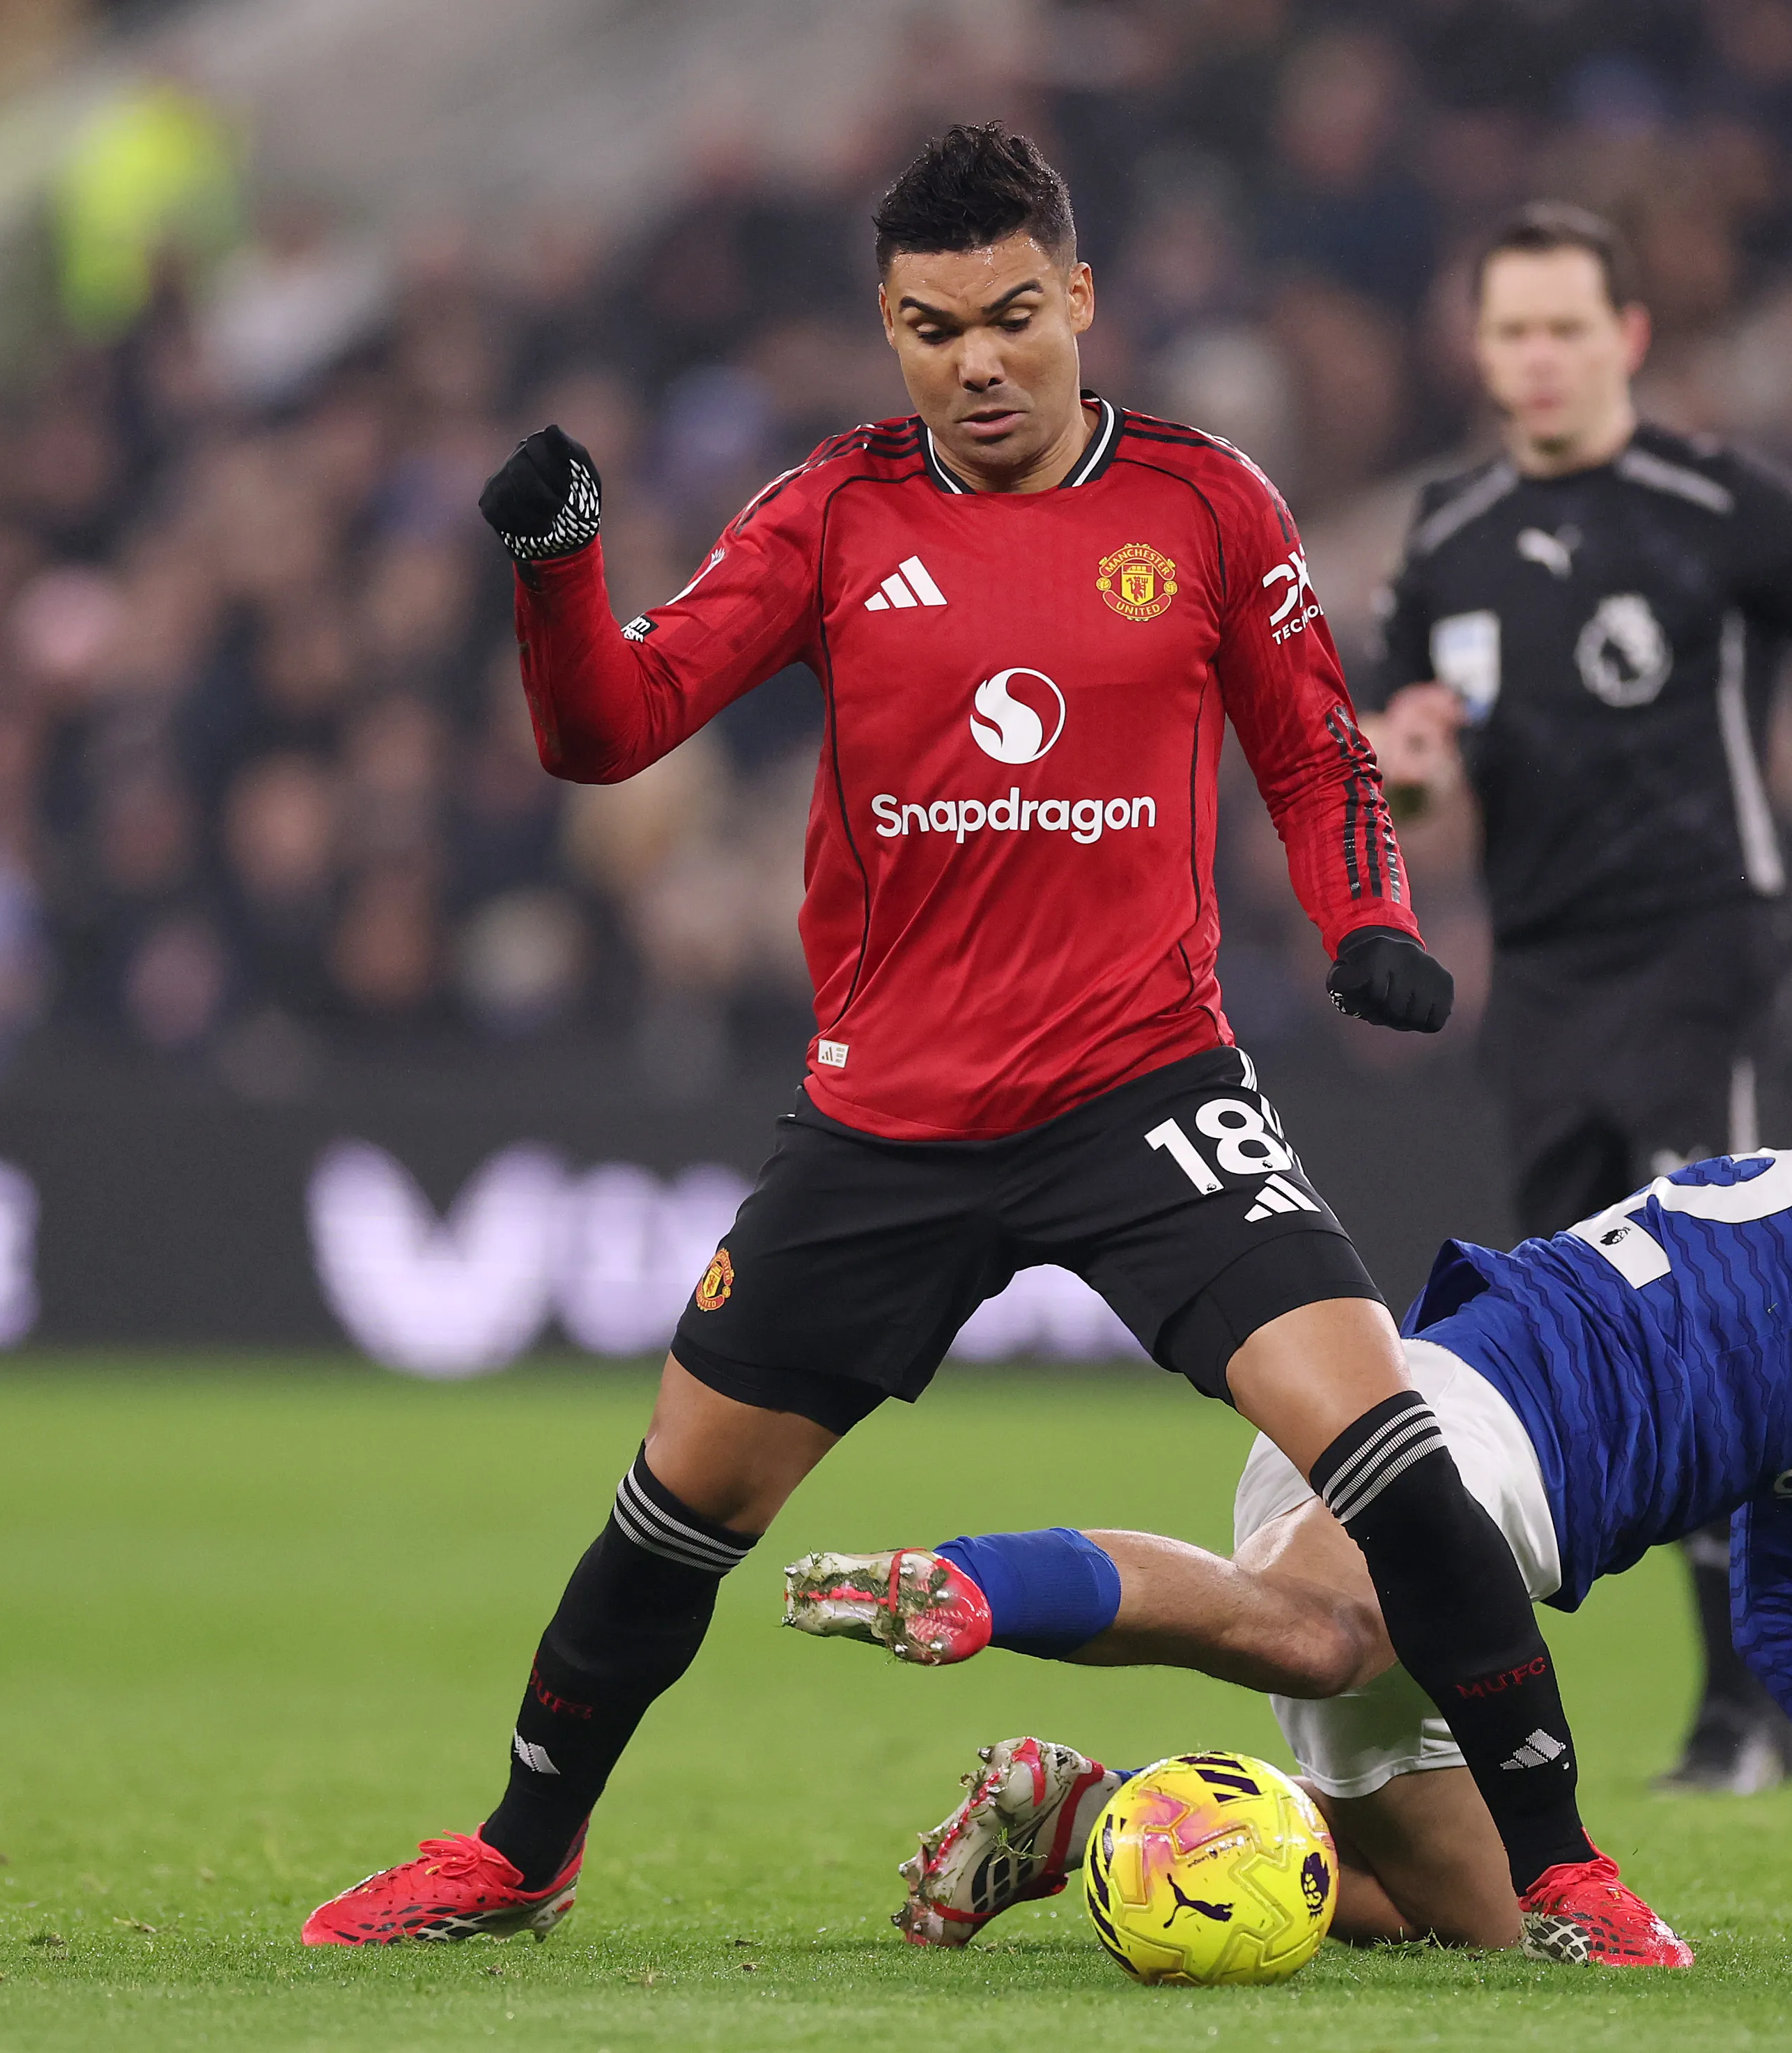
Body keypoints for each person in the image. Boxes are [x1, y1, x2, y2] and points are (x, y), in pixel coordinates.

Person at [301, 125, 1664, 1955]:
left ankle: (1567, 1869)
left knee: (1388, 1451)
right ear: (890, 332)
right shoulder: (835, 511)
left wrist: (1372, 922)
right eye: (935, 330)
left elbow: (1312, 745)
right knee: (674, 1509)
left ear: (1080, 300)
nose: (981, 363)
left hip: (1147, 1090)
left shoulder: (1201, 503)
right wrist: (560, 572)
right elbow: (609, 728)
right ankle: (522, 1851)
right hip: (893, 1122)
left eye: (1015, 317)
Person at [784, 1100, 1792, 1960]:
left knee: (1472, 1923)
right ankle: (970, 1586)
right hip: (1473, 1429)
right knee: (1321, 1632)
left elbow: (1790, 1619)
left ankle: (1074, 1814)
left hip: (1453, 1445)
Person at [1364, 203, 1792, 1797]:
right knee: (1566, 1335)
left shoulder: (1726, 504)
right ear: (1480, 346)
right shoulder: (1443, 539)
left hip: (1702, 949)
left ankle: (1750, 1710)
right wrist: (1416, 778)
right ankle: (1584, 1701)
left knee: (1707, 1313)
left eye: (1568, 327)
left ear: (1630, 336)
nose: (1540, 358)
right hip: (1546, 979)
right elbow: (1414, 791)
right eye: (1512, 331)